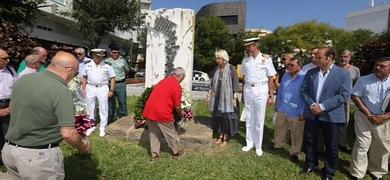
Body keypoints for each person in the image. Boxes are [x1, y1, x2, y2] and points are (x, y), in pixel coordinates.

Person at [2, 51, 90, 179]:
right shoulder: (61, 91)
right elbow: (68, 133)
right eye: (75, 73)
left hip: (9, 152)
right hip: (38, 158)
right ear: (68, 69)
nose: (74, 77)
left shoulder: (23, 79)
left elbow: (15, 108)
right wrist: (83, 147)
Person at [300, 47, 352, 180]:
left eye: (318, 57)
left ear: (329, 58)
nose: (315, 59)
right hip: (312, 114)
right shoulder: (311, 72)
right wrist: (312, 105)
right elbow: (303, 91)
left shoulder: (343, 74)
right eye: (315, 56)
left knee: (332, 146)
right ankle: (311, 164)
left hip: (332, 116)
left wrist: (322, 106)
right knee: (310, 141)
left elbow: (344, 95)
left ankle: (329, 171)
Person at [349, 57, 390, 180]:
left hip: (385, 120)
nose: (377, 68)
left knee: (382, 145)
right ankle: (357, 173)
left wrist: (384, 117)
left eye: (382, 66)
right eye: (376, 65)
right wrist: (369, 114)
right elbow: (355, 97)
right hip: (364, 117)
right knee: (362, 144)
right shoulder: (364, 80)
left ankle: (377, 171)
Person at [241, 37, 276, 157]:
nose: (247, 47)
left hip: (261, 89)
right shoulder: (246, 60)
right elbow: (244, 77)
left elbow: (271, 78)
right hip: (248, 89)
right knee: (249, 117)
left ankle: (258, 145)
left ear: (255, 46)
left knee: (259, 118)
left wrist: (271, 96)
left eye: (249, 45)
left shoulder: (266, 59)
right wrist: (242, 94)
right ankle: (249, 142)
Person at [143, 67, 186, 161]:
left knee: (154, 133)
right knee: (170, 133)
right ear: (181, 76)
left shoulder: (164, 81)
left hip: (150, 109)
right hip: (162, 112)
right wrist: (181, 115)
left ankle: (155, 155)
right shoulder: (177, 86)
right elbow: (178, 106)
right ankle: (176, 153)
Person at [273, 57, 305, 163]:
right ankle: (278, 145)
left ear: (299, 66)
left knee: (296, 133)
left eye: (292, 65)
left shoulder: (305, 77)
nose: (289, 67)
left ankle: (295, 152)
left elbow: (307, 96)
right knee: (279, 128)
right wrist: (277, 104)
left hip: (296, 111)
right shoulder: (286, 75)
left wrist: (303, 111)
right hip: (283, 108)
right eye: (288, 65)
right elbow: (281, 90)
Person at [206, 49, 240, 147]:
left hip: (228, 98)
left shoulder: (231, 68)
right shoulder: (216, 69)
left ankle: (225, 137)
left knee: (227, 118)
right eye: (216, 58)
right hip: (218, 98)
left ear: (224, 59)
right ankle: (220, 136)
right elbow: (213, 83)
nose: (217, 60)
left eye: (218, 58)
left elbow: (235, 84)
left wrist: (234, 98)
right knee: (219, 117)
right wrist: (209, 94)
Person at [82, 49, 115, 137]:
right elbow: (84, 77)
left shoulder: (107, 65)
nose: (100, 58)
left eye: (101, 57)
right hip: (90, 87)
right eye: (98, 56)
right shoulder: (87, 65)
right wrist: (84, 88)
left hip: (102, 88)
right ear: (93, 56)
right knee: (90, 108)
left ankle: (102, 127)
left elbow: (112, 78)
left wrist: (111, 90)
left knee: (103, 108)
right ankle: (91, 126)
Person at [337, 50, 360, 152]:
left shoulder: (355, 70)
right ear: (338, 57)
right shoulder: (333, 68)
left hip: (345, 101)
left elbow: (358, 84)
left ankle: (342, 143)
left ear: (350, 57)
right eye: (341, 56)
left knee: (344, 122)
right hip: (331, 98)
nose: (343, 59)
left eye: (346, 57)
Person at [0, 49, 18, 160]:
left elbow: (18, 88)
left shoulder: (11, 70)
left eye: (8, 58)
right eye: (4, 58)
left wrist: (11, 106)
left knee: (8, 134)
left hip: (8, 105)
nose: (8, 60)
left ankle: (6, 160)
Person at [106, 43, 129, 123]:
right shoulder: (106, 62)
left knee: (122, 101)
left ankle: (124, 117)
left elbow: (127, 70)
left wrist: (121, 78)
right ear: (111, 52)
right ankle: (111, 118)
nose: (116, 54)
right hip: (109, 84)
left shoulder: (123, 61)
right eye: (114, 52)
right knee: (111, 103)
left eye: (118, 53)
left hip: (120, 84)